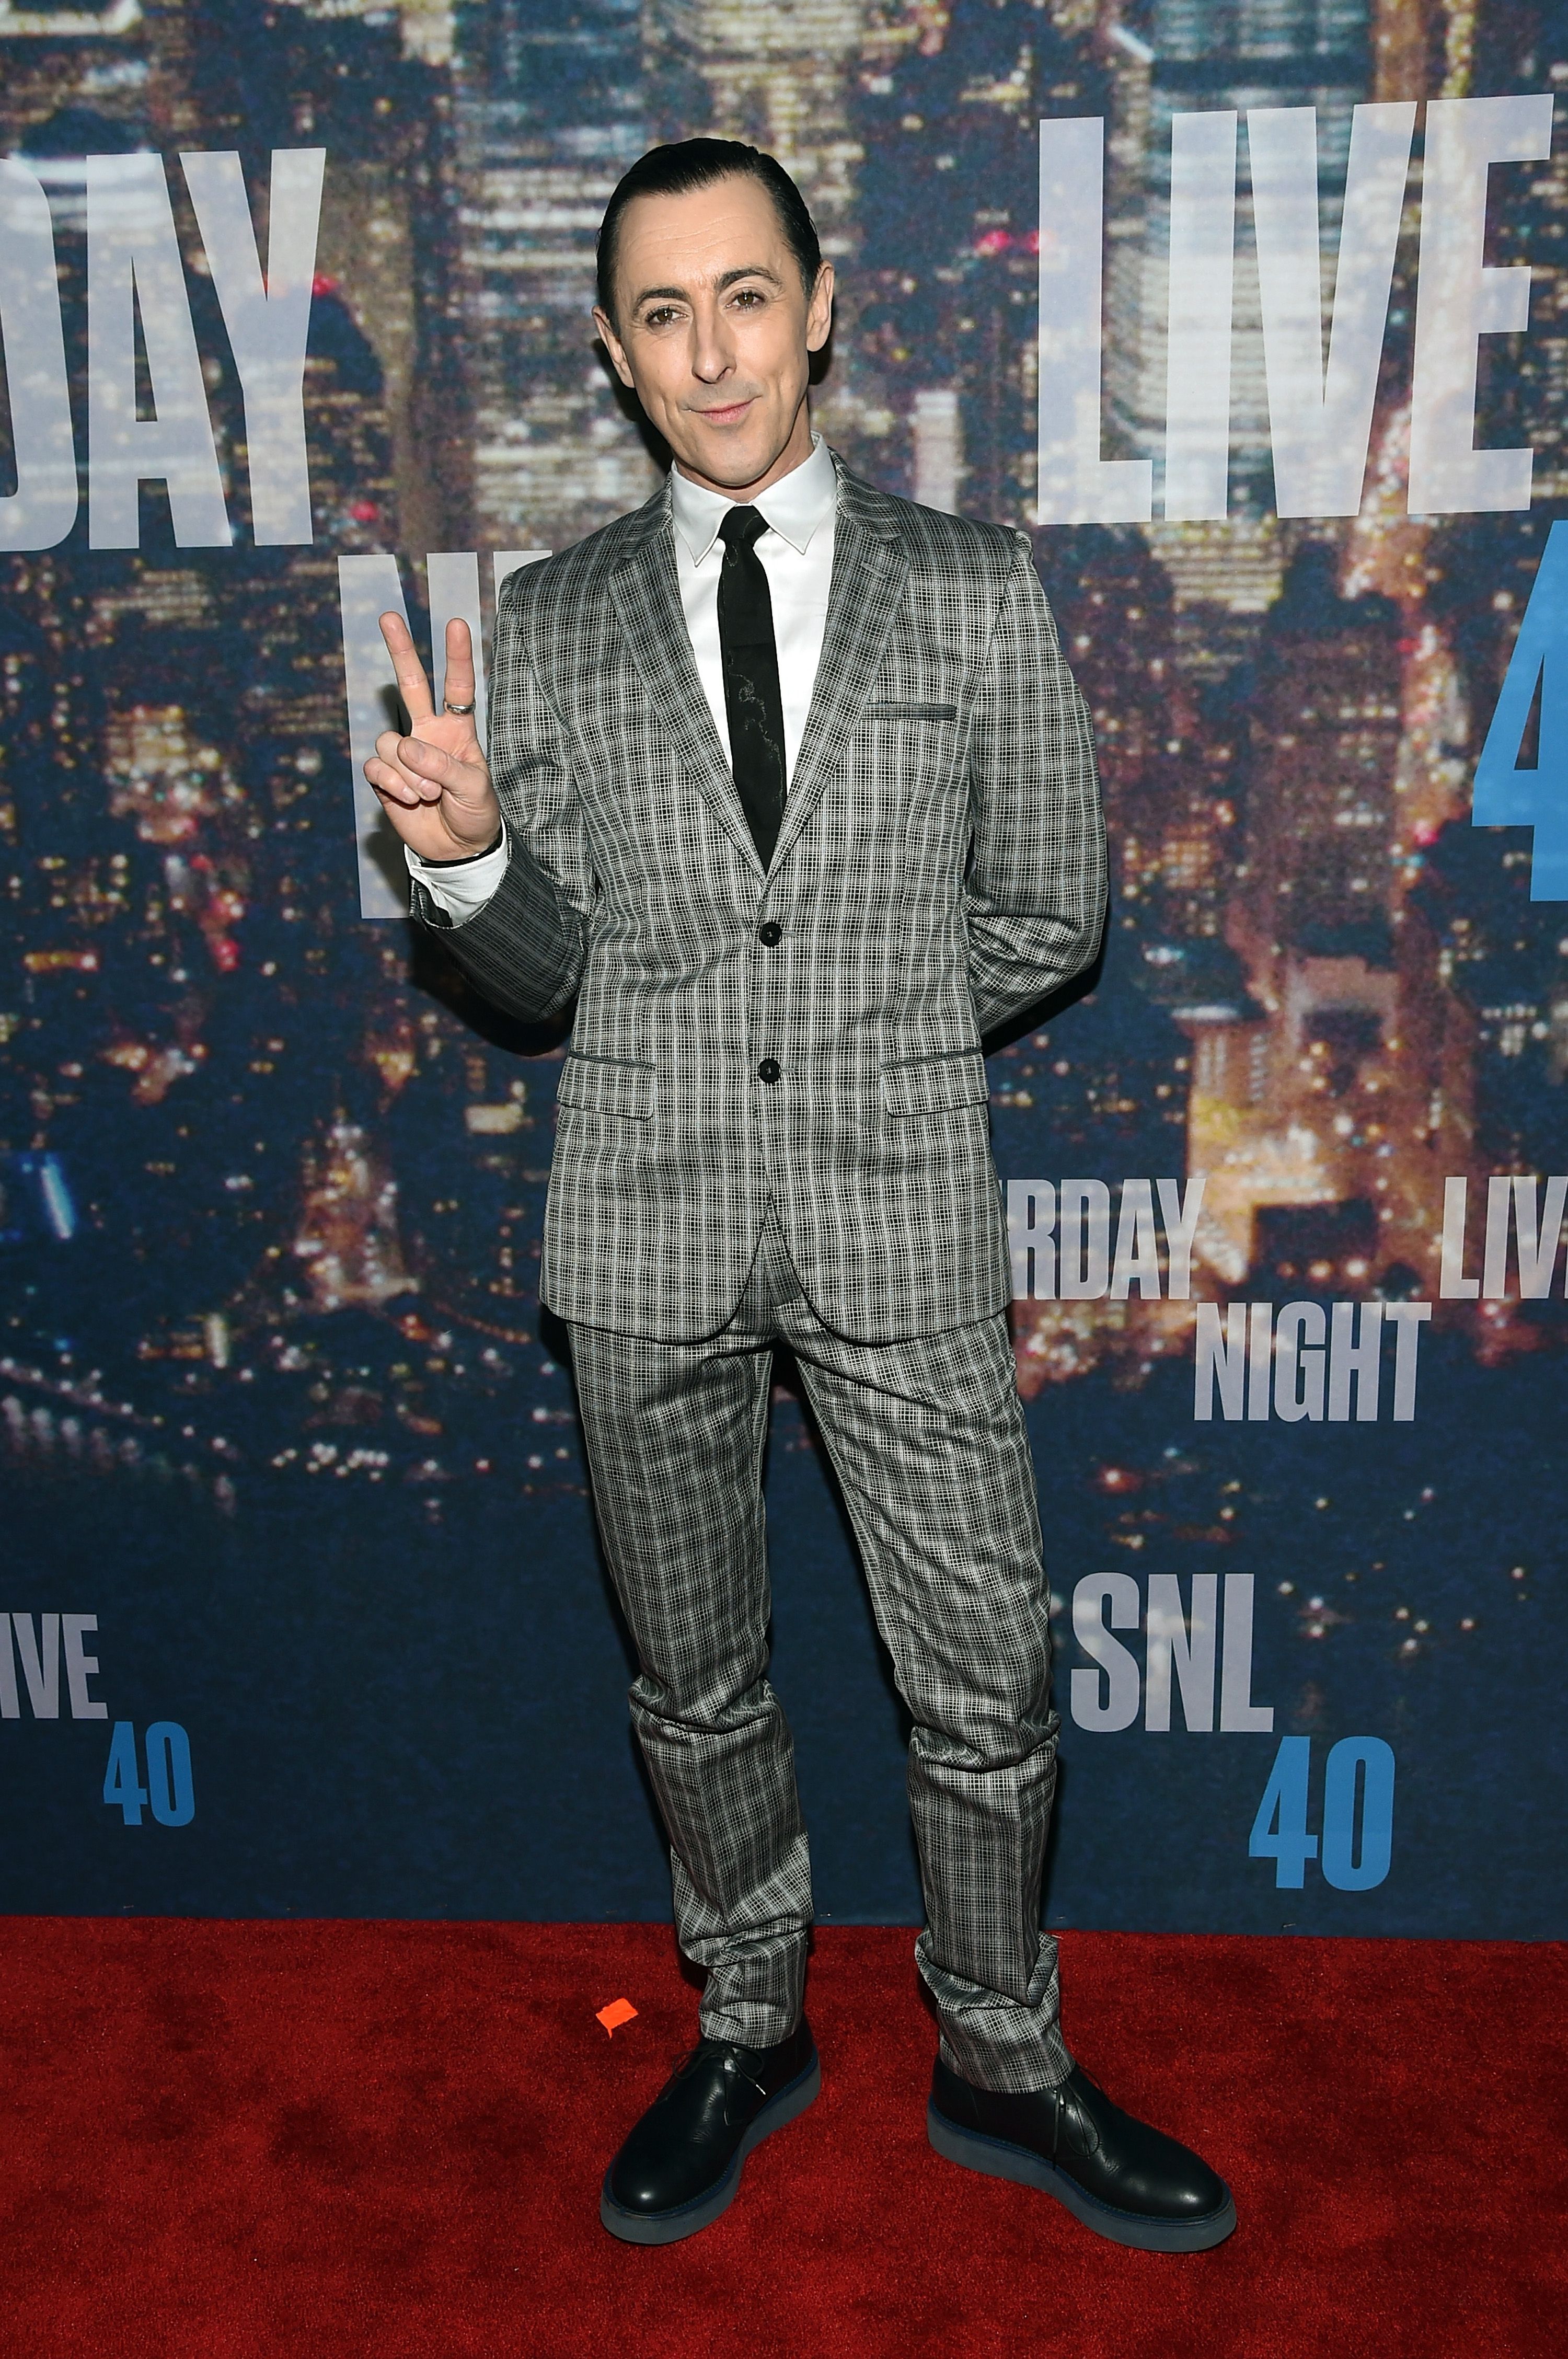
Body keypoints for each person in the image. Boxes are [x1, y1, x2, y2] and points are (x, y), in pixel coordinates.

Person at [364, 138, 1235, 2255]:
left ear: (821, 305)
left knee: (990, 1674)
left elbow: (1051, 913)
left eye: (744, 295)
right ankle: (747, 2013)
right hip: (644, 1226)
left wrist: (871, 1039)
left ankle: (1002, 2047)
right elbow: (541, 976)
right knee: (694, 1676)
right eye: (660, 314)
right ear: (612, 353)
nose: (710, 348)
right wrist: (471, 856)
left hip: (898, 1206)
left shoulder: (970, 583)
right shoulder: (552, 621)